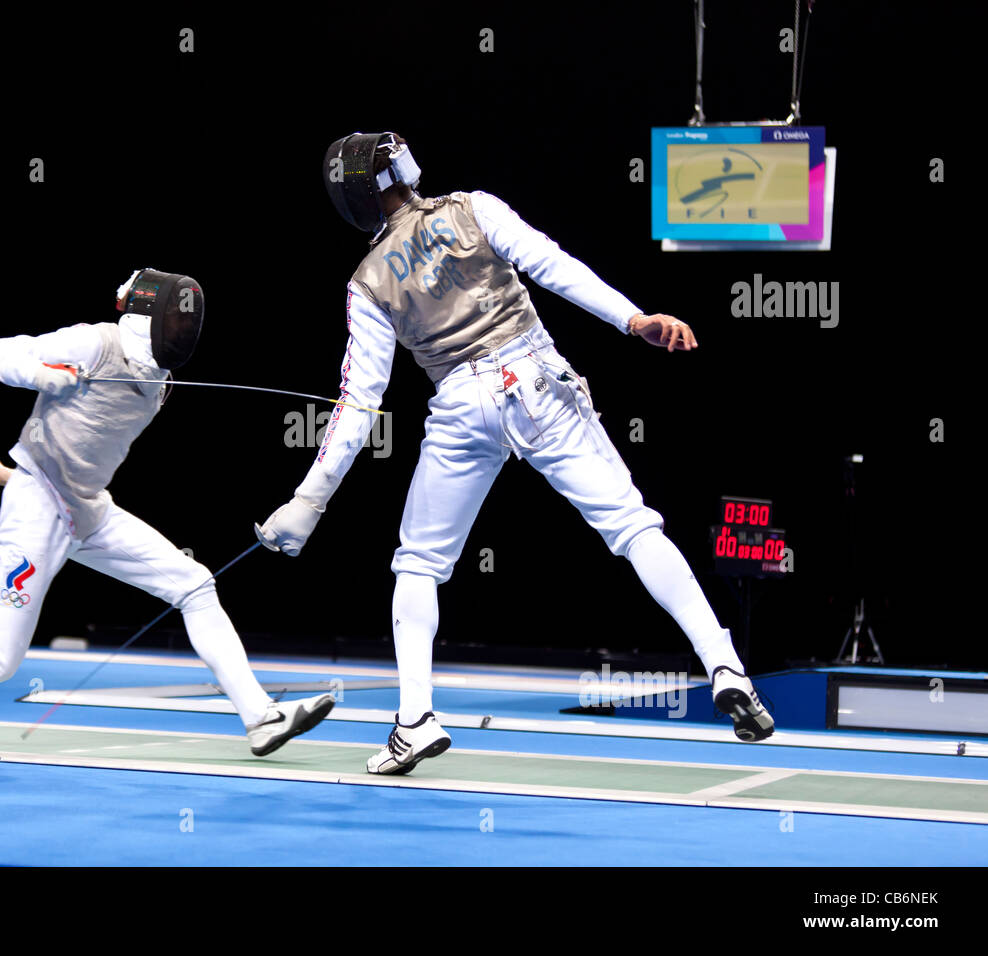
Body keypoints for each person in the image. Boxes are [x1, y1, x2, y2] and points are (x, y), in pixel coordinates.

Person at [255, 133, 773, 775]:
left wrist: (309, 501)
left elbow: (359, 406)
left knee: (418, 564)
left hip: (461, 405)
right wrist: (633, 319)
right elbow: (553, 265)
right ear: (403, 167)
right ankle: (725, 665)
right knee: (633, 525)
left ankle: (414, 722)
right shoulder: (475, 208)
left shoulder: (367, 283)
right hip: (537, 382)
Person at [0, 269, 334, 755]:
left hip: (90, 510)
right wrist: (42, 376)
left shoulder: (160, 384)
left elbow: (86, 449)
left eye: (188, 323)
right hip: (35, 513)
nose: (183, 331)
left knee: (195, 584)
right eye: (177, 320)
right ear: (146, 316)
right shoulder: (94, 342)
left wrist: (19, 476)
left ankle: (260, 717)